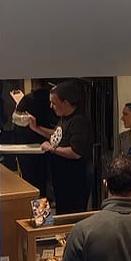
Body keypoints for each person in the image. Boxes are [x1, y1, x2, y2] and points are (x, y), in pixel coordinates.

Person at [25, 79, 93, 214]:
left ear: (65, 103)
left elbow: (76, 152)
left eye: (54, 103)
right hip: (59, 178)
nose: (51, 106)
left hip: (74, 182)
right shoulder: (64, 118)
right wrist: (36, 128)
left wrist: (52, 149)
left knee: (70, 215)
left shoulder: (79, 121)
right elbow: (57, 135)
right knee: (59, 210)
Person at [12, 81, 56, 195]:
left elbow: (16, 121)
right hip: (48, 146)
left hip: (27, 148)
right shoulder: (53, 100)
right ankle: (43, 207)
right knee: (44, 181)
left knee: (30, 185)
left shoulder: (27, 100)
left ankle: (33, 208)